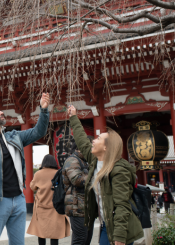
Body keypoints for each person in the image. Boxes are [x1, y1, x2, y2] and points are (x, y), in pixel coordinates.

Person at [0, 93, 50, 245]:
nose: (1, 112)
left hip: (19, 199)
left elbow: (38, 132)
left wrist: (43, 110)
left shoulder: (14, 137)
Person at [67, 105, 143, 245]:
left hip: (120, 227)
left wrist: (119, 237)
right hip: (105, 224)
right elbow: (82, 141)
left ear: (106, 147)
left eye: (98, 138)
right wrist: (73, 116)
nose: (93, 141)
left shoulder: (119, 170)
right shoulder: (96, 161)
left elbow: (122, 205)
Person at [27, 154, 70, 245]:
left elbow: (32, 187)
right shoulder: (58, 173)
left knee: (41, 232)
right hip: (56, 207)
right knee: (54, 234)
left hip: (41, 207)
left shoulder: (38, 174)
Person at [63, 138, 93, 245]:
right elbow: (77, 180)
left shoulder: (86, 161)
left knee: (87, 239)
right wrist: (94, 174)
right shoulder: (72, 160)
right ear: (80, 147)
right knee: (80, 239)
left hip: (86, 207)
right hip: (76, 207)